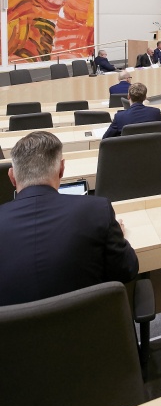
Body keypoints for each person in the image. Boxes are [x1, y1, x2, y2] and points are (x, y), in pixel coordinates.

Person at [0, 131, 139, 306]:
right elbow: (127, 270)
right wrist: (116, 234)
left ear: (12, 177)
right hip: (91, 330)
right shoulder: (97, 210)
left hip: (15, 334)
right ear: (61, 169)